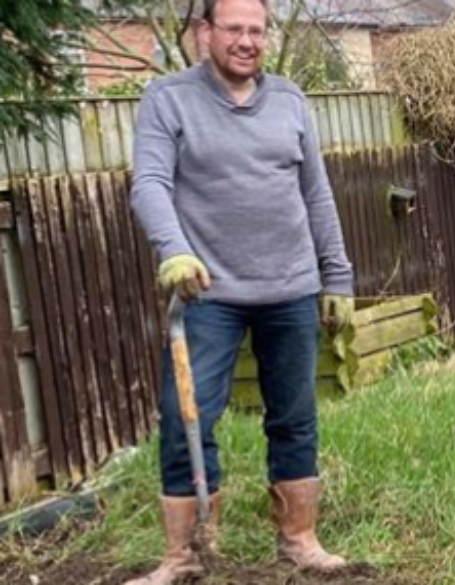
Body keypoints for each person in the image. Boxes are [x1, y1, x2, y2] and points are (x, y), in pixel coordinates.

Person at [127, 0, 355, 582]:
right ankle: (185, 555)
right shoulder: (169, 99)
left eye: (257, 29)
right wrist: (174, 250)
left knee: (295, 416)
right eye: (235, 29)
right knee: (187, 415)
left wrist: (338, 277)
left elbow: (318, 194)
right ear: (205, 32)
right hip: (210, 292)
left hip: (291, 287)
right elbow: (149, 182)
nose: (248, 41)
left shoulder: (290, 101)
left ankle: (300, 540)